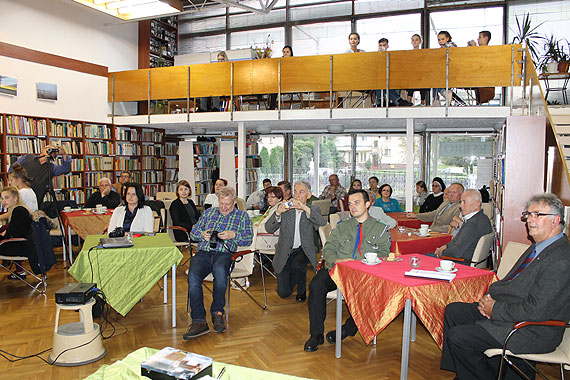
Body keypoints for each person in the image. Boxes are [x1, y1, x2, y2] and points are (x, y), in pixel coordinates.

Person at [440, 193, 570, 380]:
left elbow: (536, 311)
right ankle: (463, 373)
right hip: (511, 313)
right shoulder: (537, 248)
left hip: (531, 329)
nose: (529, 221)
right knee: (454, 311)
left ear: (555, 220)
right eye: (528, 214)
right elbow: (512, 283)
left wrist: (495, 309)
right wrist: (488, 299)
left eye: (537, 215)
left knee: (460, 336)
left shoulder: (559, 260)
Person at [304, 189, 391, 352]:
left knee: (373, 293)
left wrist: (364, 263)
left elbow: (385, 254)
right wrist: (337, 260)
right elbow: (328, 249)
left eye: (357, 202)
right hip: (337, 269)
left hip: (363, 274)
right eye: (350, 203)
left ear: (368, 204)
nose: (352, 207)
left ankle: (348, 329)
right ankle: (316, 335)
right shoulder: (342, 226)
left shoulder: (380, 229)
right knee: (316, 285)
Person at [184, 186, 253, 339]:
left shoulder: (242, 216)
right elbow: (193, 233)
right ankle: (199, 320)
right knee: (193, 276)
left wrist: (233, 235)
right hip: (204, 252)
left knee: (220, 273)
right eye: (221, 203)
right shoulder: (209, 213)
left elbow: (248, 239)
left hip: (225, 253)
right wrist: (202, 235)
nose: (223, 207)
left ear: (234, 202)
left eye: (227, 204)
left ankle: (217, 312)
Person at [265, 181, 326, 301]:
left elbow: (322, 222)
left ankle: (301, 290)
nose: (297, 196)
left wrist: (304, 207)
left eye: (301, 192)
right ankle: (293, 276)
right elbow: (269, 228)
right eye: (295, 192)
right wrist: (278, 213)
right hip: (285, 250)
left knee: (298, 264)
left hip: (304, 249)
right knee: (283, 292)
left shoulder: (312, 209)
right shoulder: (286, 209)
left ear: (309, 195)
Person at [434, 189, 492, 263]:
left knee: (424, 257)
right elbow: (457, 239)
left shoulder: (473, 224)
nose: (461, 205)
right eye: (461, 202)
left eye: (464, 202)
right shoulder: (482, 217)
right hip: (465, 259)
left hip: (462, 262)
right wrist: (444, 247)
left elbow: (456, 252)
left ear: (477, 204)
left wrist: (442, 252)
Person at [0, 186, 36, 279]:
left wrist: (5, 233)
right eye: (2, 198)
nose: (4, 201)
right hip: (22, 244)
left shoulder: (18, 211)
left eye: (7, 198)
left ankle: (20, 272)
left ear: (15, 198)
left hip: (22, 246)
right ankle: (20, 272)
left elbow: (8, 235)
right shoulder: (20, 209)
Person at [375, 38, 412, 107]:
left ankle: (384, 100)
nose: (382, 47)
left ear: (387, 46)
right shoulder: (374, 57)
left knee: (386, 83)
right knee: (380, 82)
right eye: (380, 45)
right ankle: (397, 100)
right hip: (378, 80)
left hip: (390, 79)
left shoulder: (391, 57)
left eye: (384, 45)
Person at [433, 31, 457, 107]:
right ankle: (437, 97)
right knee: (433, 77)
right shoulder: (453, 46)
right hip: (447, 71)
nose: (440, 41)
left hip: (449, 72)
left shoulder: (446, 48)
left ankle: (438, 97)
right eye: (439, 40)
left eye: (442, 39)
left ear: (447, 38)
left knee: (432, 78)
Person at [268, 46, 294, 110]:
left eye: (287, 52)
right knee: (273, 87)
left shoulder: (294, 62)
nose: (285, 54)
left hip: (291, 82)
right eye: (284, 52)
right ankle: (272, 107)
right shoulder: (279, 61)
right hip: (281, 82)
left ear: (291, 53)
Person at [406, 34, 429, 106]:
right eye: (413, 40)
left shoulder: (423, 53)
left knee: (423, 82)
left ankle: (423, 102)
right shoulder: (408, 53)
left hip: (420, 75)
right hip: (411, 75)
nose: (414, 42)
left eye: (416, 40)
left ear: (420, 41)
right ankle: (408, 103)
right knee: (410, 82)